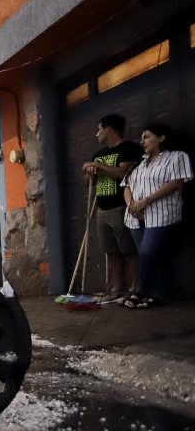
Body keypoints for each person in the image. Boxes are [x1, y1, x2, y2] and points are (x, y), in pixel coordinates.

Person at [120, 123, 191, 309]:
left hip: (162, 213)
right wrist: (132, 206)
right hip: (135, 216)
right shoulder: (139, 163)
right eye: (141, 138)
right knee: (154, 256)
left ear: (161, 138)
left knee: (147, 253)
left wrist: (146, 201)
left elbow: (176, 182)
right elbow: (126, 186)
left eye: (147, 137)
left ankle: (141, 290)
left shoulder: (176, 157)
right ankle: (158, 294)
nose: (142, 141)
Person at [81, 114, 142, 303]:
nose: (97, 134)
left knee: (129, 250)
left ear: (110, 129)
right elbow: (89, 182)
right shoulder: (98, 154)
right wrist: (89, 172)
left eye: (99, 129)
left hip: (121, 207)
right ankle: (116, 290)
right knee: (112, 251)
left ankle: (136, 288)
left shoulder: (129, 149)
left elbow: (124, 172)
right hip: (102, 209)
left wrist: (99, 166)